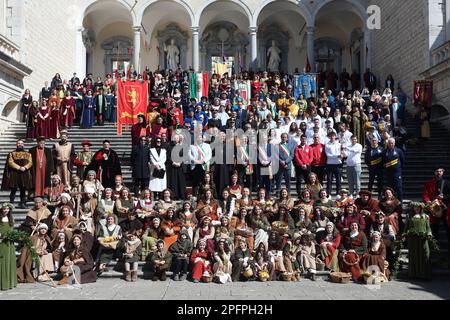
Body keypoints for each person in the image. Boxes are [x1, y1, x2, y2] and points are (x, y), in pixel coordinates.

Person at [1, 139, 33, 209]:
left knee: (23, 190)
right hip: (14, 174)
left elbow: (30, 162)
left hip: (24, 174)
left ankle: (22, 203)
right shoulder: (11, 153)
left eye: (21, 143)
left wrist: (25, 167)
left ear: (23, 145)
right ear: (16, 144)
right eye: (18, 143)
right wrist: (19, 167)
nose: (20, 144)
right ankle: (11, 204)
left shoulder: (28, 154)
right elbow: (10, 162)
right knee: (13, 189)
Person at [423, 166, 450, 246]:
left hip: (446, 208)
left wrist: (444, 197)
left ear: (443, 172)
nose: (438, 173)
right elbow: (425, 195)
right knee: (435, 227)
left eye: (440, 171)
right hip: (434, 207)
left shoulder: (448, 183)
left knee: (448, 227)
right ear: (434, 173)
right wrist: (428, 202)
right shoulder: (428, 184)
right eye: (437, 171)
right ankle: (435, 245)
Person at [405, 202, 432, 280]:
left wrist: (429, 234)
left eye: (418, 207)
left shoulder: (425, 216)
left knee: (425, 255)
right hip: (412, 239)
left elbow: (428, 227)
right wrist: (405, 234)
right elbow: (406, 227)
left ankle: (425, 275)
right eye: (415, 207)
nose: (416, 209)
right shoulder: (409, 216)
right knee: (414, 255)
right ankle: (414, 274)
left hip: (423, 239)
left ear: (421, 208)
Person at [0, 203, 17, 290]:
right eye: (4, 209)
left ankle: (9, 282)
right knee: (2, 260)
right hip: (1, 242)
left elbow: (12, 230)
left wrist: (13, 235)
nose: (6, 210)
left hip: (9, 243)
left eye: (7, 209)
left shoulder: (11, 218)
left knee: (9, 260)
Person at [325, 132, 342, 196]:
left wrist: (341, 155)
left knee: (338, 179)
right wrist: (337, 156)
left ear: (335, 137)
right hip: (329, 164)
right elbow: (328, 155)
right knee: (329, 179)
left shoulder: (338, 144)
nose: (332, 137)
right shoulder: (327, 145)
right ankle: (329, 193)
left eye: (333, 136)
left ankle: (338, 193)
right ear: (329, 137)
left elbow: (341, 152)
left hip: (338, 163)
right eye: (331, 136)